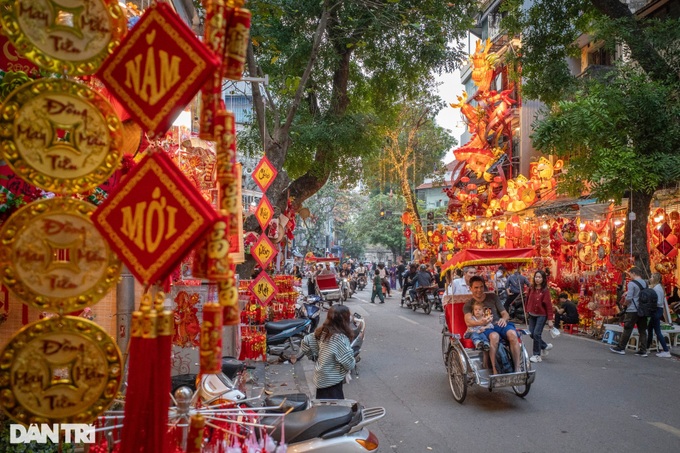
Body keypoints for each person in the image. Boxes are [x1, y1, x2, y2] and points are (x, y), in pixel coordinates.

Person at [464, 276, 522, 375]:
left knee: (512, 334)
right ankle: (495, 369)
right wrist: (481, 323)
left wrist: (503, 319)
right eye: (476, 287)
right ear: (471, 288)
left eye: (481, 287)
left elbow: (505, 313)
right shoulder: (469, 304)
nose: (479, 290)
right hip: (486, 328)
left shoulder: (492, 297)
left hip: (499, 324)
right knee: (494, 336)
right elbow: (468, 321)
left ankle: (517, 368)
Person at [300, 305, 356, 399]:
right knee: (334, 410)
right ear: (344, 320)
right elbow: (349, 363)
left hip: (321, 378)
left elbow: (305, 342)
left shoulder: (322, 331)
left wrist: (315, 357)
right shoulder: (339, 338)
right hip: (332, 382)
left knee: (322, 407)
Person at [610, 267, 649, 357]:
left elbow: (629, 298)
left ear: (634, 273)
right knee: (642, 330)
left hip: (633, 309)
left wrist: (625, 304)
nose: (630, 276)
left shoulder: (631, 283)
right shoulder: (645, 283)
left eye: (630, 274)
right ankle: (643, 350)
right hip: (642, 309)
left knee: (627, 328)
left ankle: (621, 347)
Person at [525, 270, 554, 363]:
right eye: (536, 277)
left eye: (539, 277)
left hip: (541, 315)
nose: (537, 279)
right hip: (532, 314)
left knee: (537, 334)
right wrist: (526, 311)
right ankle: (544, 346)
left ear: (543, 279)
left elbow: (549, 306)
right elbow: (527, 300)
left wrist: (550, 319)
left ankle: (536, 355)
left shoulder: (545, 291)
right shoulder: (531, 288)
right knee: (531, 333)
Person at [646, 273, 671, 358]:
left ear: (655, 279)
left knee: (657, 331)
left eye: (652, 277)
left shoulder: (657, 289)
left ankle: (666, 350)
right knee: (650, 329)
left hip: (656, 310)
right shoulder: (658, 287)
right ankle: (647, 347)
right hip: (657, 310)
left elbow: (659, 302)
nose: (650, 278)